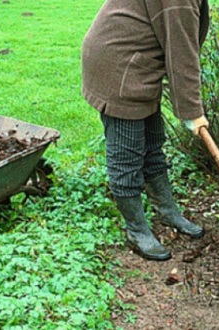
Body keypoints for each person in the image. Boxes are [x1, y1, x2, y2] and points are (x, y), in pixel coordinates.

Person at [82, 0, 210, 261]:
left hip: (139, 62)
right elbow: (181, 53)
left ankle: (166, 210)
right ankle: (136, 229)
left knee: (152, 141)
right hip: (119, 66)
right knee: (127, 153)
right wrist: (192, 111)